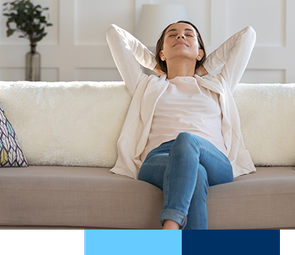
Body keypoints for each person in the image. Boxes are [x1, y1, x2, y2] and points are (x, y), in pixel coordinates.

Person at [106, 20, 256, 229]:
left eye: (188, 34)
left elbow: (247, 35)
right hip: (159, 158)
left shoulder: (218, 84)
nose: (180, 36)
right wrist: (155, 65)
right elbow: (115, 34)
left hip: (211, 157)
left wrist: (204, 67)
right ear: (162, 53)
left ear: (200, 52)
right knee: (197, 174)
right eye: (172, 34)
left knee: (186, 139)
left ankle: (170, 228)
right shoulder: (147, 85)